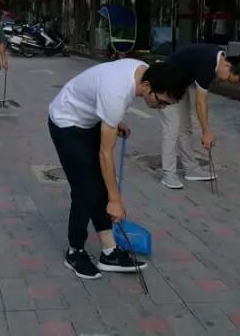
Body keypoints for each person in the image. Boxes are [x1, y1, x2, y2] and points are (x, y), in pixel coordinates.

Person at [49, 59, 185, 279]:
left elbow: (103, 95)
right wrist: (115, 201)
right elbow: (105, 154)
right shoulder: (116, 93)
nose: (161, 108)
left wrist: (113, 120)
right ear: (147, 86)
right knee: (85, 189)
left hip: (90, 119)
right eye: (161, 102)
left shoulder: (143, 71)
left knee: (100, 186)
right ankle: (75, 252)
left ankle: (109, 252)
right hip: (66, 121)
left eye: (166, 105)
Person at [160, 43, 240, 189]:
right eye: (229, 79)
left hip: (179, 85)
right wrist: (206, 132)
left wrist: (206, 131)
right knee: (172, 127)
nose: (224, 81)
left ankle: (191, 169)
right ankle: (168, 174)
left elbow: (202, 101)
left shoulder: (218, 58)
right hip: (164, 82)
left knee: (185, 128)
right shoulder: (208, 64)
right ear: (227, 65)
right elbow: (200, 102)